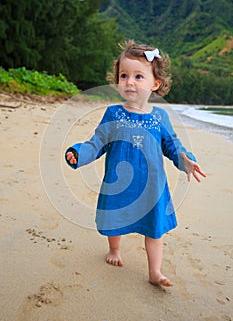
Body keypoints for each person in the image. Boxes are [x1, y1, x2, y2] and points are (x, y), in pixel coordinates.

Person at [65, 40, 206, 287]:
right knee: (115, 219)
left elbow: (173, 147)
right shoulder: (113, 114)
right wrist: (79, 153)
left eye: (138, 76)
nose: (130, 81)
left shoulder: (160, 117)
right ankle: (115, 250)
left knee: (155, 230)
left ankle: (155, 272)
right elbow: (97, 143)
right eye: (124, 75)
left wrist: (186, 160)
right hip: (120, 184)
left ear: (155, 84)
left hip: (152, 188)